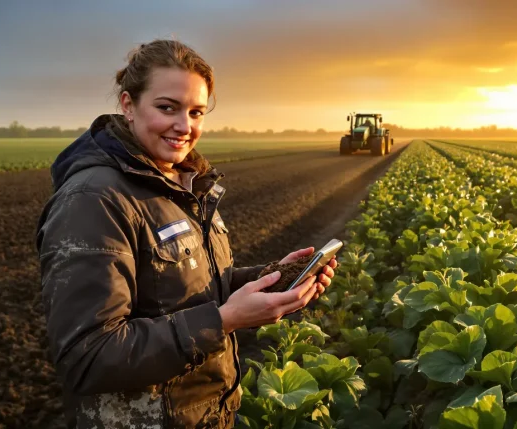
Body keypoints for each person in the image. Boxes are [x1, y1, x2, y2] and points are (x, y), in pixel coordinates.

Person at [35, 39, 337, 428]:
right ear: (128, 105)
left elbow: (191, 287)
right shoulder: (95, 200)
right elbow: (89, 356)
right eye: (167, 108)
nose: (184, 126)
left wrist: (272, 278)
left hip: (208, 416)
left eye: (196, 112)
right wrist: (224, 321)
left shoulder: (182, 183)